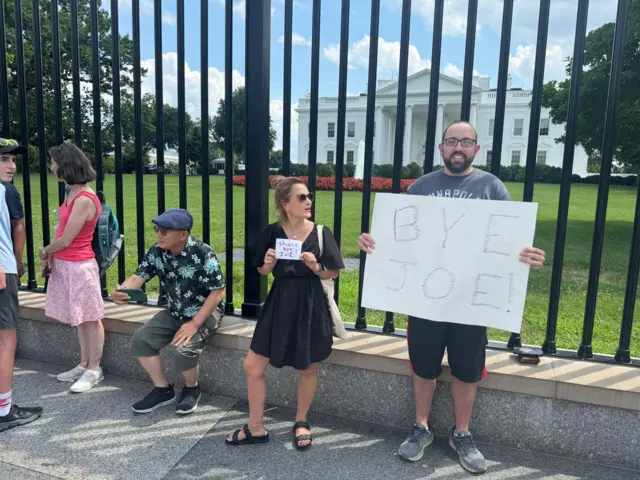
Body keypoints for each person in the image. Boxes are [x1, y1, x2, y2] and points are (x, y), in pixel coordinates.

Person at [357, 121, 546, 474]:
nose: (458, 147)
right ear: (441, 148)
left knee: (467, 370)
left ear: (476, 149)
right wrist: (372, 241)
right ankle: (421, 427)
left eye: (466, 142)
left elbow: (506, 242)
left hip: (471, 302)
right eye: (451, 141)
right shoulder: (421, 186)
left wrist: (529, 258)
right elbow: (398, 234)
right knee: (423, 366)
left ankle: (462, 433)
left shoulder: (492, 187)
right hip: (426, 299)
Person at [225, 177, 345, 451]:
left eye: (309, 196)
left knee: (308, 365)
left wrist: (316, 266)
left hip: (310, 303)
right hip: (279, 301)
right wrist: (267, 265)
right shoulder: (272, 232)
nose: (308, 201)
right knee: (252, 366)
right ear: (285, 204)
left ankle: (301, 421)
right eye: (302, 197)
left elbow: (333, 272)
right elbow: (261, 270)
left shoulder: (321, 232)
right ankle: (256, 427)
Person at [112, 209, 225, 415]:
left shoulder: (202, 252)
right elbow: (139, 276)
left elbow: (218, 291)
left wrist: (194, 324)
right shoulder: (157, 251)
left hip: (205, 311)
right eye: (157, 229)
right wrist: (123, 291)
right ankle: (163, 390)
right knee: (141, 340)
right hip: (175, 310)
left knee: (183, 350)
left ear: (183, 234)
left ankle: (192, 388)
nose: (159, 235)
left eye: (165, 231)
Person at [40, 144, 106, 393]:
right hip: (68, 264)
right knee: (80, 319)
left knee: (90, 318)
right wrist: (53, 257)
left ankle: (94, 369)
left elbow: (67, 239)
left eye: (54, 163)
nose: (51, 167)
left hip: (79, 265)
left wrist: (46, 250)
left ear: (65, 166)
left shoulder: (84, 199)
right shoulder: (71, 194)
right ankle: (84, 363)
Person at [0, 138, 42, 431]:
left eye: (13, 160)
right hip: (3, 270)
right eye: (4, 160)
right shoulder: (6, 191)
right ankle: (3, 411)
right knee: (6, 339)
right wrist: (15, 261)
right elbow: (19, 227)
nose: (12, 166)